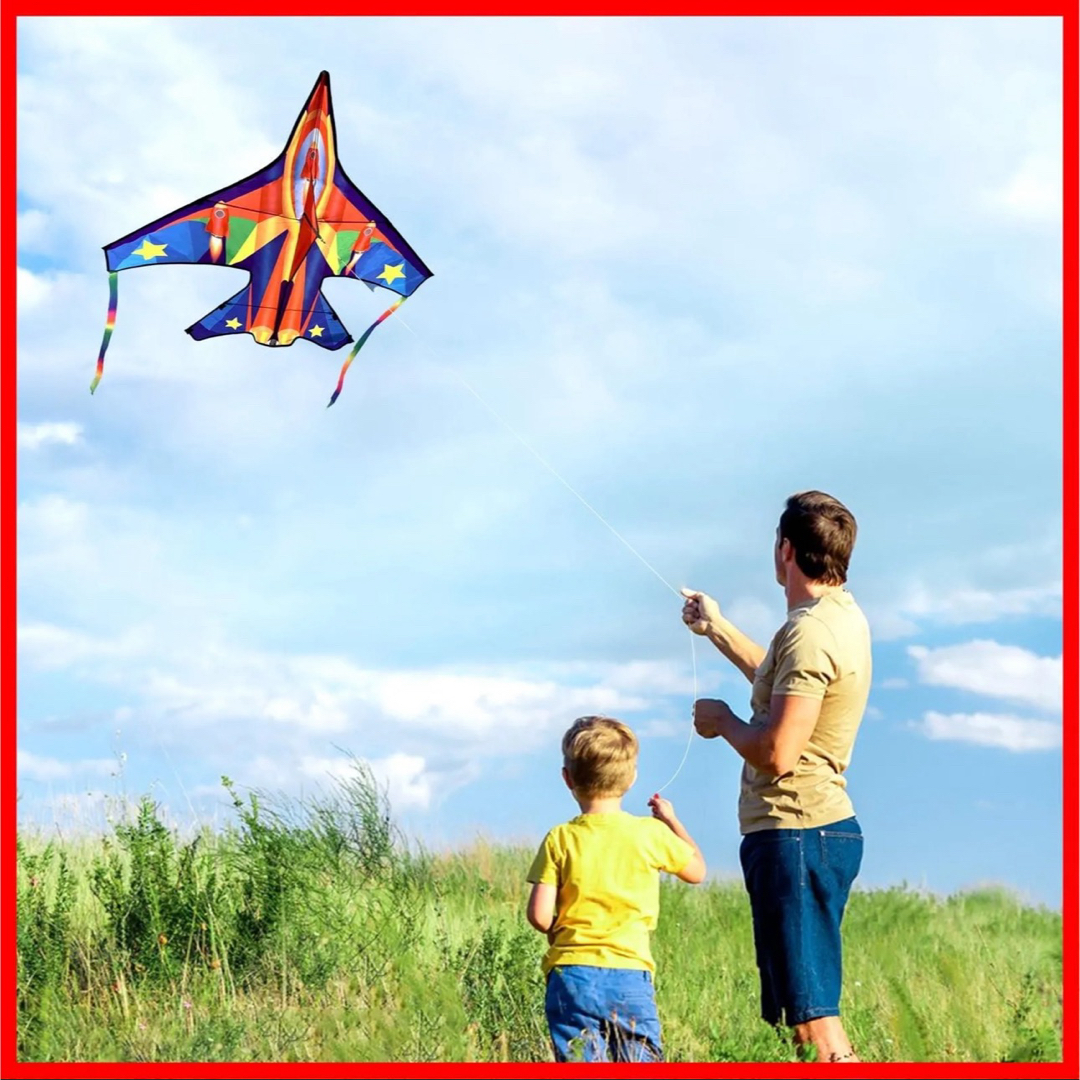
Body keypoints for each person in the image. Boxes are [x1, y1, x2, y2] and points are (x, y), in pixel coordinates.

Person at [681, 490, 872, 1064]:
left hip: (796, 833)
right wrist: (716, 628)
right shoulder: (837, 619)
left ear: (785, 550)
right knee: (808, 1016)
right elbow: (782, 681)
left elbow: (778, 751)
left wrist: (724, 723)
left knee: (815, 1028)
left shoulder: (810, 632)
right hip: (812, 834)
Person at [525, 715, 706, 1062]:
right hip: (630, 974)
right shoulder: (649, 834)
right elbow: (696, 871)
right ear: (632, 778)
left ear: (567, 779)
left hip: (571, 973)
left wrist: (558, 926)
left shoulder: (560, 838)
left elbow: (539, 916)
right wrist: (672, 822)